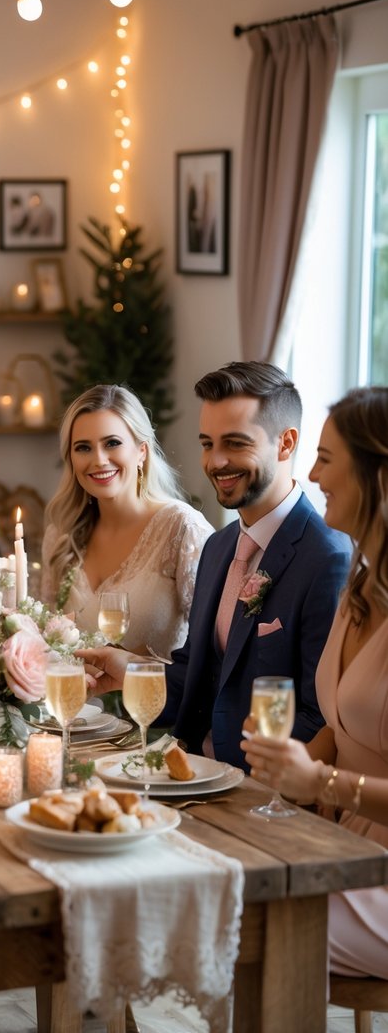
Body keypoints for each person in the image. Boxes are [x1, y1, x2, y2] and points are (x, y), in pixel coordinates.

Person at [78, 362, 351, 769]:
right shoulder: (219, 547)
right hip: (190, 770)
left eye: (235, 444)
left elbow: (322, 717)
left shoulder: (327, 557)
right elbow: (194, 679)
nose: (216, 461)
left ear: (286, 443)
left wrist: (246, 783)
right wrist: (131, 672)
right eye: (208, 444)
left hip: (259, 785)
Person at [243, 386, 388, 979]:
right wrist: (289, 766)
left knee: (250, 916)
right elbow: (341, 725)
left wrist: (321, 782)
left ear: (378, 475)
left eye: (326, 458)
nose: (312, 474)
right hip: (342, 845)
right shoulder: (361, 587)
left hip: (375, 867)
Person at [41, 384, 213, 657]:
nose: (99, 460)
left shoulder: (183, 528)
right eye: (83, 447)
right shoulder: (60, 536)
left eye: (112, 443)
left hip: (155, 687)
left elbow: (213, 652)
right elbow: (45, 643)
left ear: (142, 451)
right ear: (71, 459)